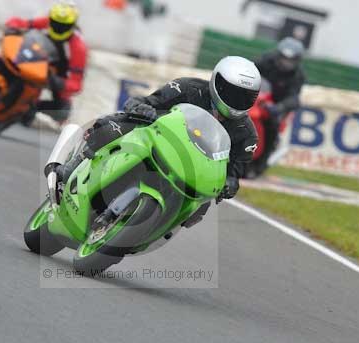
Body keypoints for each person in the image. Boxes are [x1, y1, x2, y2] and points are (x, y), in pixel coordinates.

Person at [44, 56, 261, 226]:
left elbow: (235, 170)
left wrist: (231, 183)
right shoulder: (187, 88)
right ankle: (69, 169)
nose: (237, 101)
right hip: (156, 138)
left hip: (191, 168)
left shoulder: (247, 134)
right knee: (115, 126)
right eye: (233, 92)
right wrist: (143, 108)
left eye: (245, 97)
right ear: (217, 82)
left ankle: (158, 229)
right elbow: (145, 101)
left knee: (200, 207)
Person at [5, 1, 87, 125]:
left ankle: (33, 106)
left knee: (62, 111)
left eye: (64, 25)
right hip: (31, 58)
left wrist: (58, 82)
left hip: (56, 73)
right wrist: (12, 26)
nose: (59, 27)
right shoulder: (46, 22)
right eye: (55, 22)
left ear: (73, 24)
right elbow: (21, 22)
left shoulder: (78, 47)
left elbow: (76, 83)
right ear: (51, 18)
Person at [253, 37, 305, 173]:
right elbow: (249, 70)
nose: (286, 63)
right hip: (255, 99)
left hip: (274, 107)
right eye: (284, 59)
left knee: (272, 127)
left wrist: (280, 107)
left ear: (297, 60)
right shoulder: (266, 61)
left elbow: (294, 98)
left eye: (290, 60)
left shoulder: (297, 76)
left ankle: (260, 164)